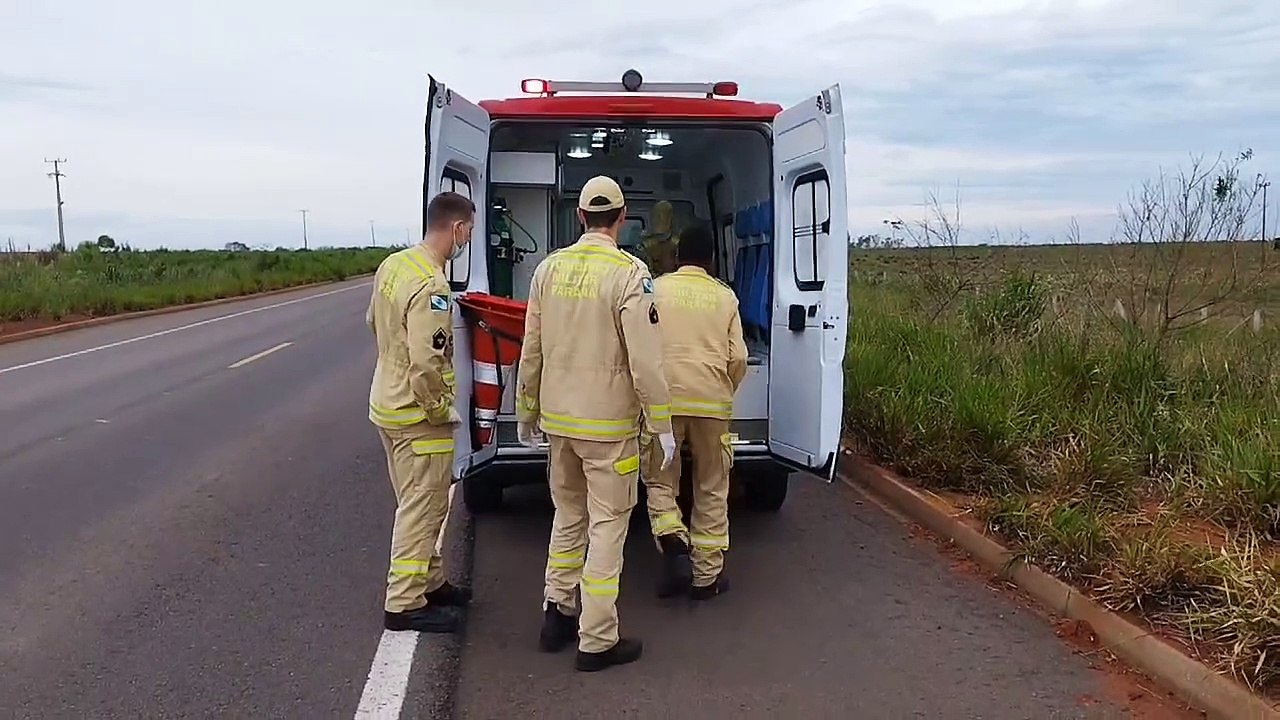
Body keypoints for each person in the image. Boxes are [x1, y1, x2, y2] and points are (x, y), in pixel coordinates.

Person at [515, 175, 677, 672]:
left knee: (568, 517)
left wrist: (526, 412)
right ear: (622, 218)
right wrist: (663, 423)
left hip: (559, 423)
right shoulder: (631, 274)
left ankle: (556, 611)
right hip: (608, 428)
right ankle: (598, 636)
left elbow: (532, 350)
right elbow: (646, 361)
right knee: (608, 525)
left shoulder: (547, 270)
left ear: (581, 216)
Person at [365, 191, 476, 634]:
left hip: (385, 405)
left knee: (419, 503)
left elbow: (373, 321)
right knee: (422, 507)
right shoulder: (433, 286)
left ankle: (431, 582)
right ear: (457, 229)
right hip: (417, 415)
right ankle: (404, 602)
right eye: (468, 231)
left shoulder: (394, 265)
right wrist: (440, 410)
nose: (466, 238)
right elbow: (426, 363)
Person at [642, 224, 747, 600]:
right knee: (712, 487)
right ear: (711, 260)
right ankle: (706, 578)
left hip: (665, 402)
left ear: (676, 256)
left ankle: (671, 536)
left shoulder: (656, 288)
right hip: (711, 403)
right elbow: (738, 357)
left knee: (660, 477)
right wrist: (722, 389)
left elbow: (641, 344)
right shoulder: (725, 297)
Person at [637, 200, 680, 277]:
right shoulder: (644, 246)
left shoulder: (678, 244)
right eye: (658, 216)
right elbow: (642, 272)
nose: (662, 219)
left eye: (665, 215)